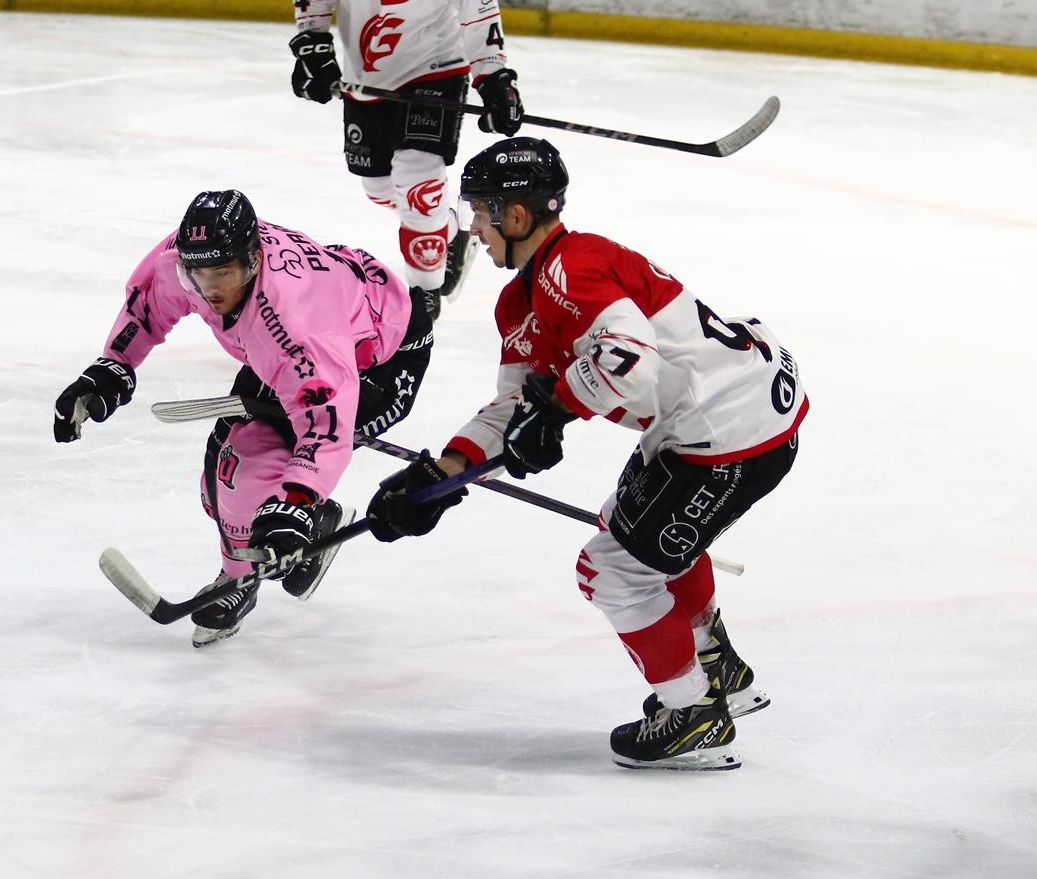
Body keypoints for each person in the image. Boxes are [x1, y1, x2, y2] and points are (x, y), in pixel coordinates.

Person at [366, 138, 808, 770]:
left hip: (730, 429)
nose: (474, 231)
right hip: (718, 417)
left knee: (612, 570)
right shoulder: (523, 297)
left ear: (516, 216)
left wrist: (559, 408)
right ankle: (719, 670)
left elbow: (629, 361)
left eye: (480, 214)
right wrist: (443, 473)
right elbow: (513, 409)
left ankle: (692, 714)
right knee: (635, 537)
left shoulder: (569, 270)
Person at [54, 189, 433, 647]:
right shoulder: (192, 260)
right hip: (321, 328)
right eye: (200, 273)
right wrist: (115, 364)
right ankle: (297, 533)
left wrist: (297, 499)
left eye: (223, 273)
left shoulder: (295, 326)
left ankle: (249, 572)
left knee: (250, 472)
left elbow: (325, 426)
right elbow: (149, 301)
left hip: (378, 363)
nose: (210, 288)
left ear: (253, 261)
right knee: (220, 473)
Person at [287, 0, 524, 320]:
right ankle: (449, 229)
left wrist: (495, 78)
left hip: (436, 67)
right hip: (367, 74)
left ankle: (423, 294)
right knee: (379, 187)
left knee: (418, 178)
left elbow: (479, 13)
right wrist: (312, 42)